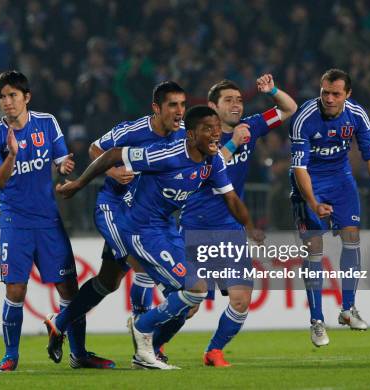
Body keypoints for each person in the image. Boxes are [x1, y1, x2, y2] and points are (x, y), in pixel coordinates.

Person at [54, 105, 261, 369]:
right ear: (190, 134)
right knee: (191, 288)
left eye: (218, 129)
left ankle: (145, 348)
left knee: (193, 294)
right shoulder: (167, 154)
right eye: (207, 129)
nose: (215, 135)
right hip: (140, 229)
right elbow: (113, 154)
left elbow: (230, 198)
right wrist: (79, 184)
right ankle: (142, 328)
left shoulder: (214, 160)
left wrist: (250, 226)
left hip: (165, 228)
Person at [42, 81, 186, 364]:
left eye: (183, 105)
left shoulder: (182, 136)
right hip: (115, 208)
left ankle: (59, 322)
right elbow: (96, 148)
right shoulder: (133, 130)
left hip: (145, 215)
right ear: (157, 108)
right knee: (141, 263)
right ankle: (147, 345)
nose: (180, 111)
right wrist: (113, 171)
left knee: (108, 281)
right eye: (173, 105)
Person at [0, 70, 113, 371]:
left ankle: (78, 355)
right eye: (2, 97)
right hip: (14, 221)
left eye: (12, 95)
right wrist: (11, 156)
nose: (7, 102)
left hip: (49, 220)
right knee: (15, 290)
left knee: (69, 289)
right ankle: (10, 357)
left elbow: (61, 161)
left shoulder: (47, 122)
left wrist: (65, 165)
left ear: (26, 97)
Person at [179, 75, 297, 367]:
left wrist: (273, 91)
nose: (236, 104)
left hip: (229, 227)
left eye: (239, 100)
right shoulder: (196, 134)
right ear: (212, 106)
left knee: (242, 298)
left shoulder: (252, 126)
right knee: (189, 304)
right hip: (196, 225)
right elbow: (206, 168)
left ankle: (214, 350)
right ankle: (153, 340)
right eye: (228, 100)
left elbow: (289, 109)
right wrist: (234, 142)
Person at [289, 68, 370, 347]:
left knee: (352, 239)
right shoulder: (304, 118)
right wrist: (313, 202)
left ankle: (348, 310)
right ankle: (316, 321)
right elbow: (299, 168)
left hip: (341, 181)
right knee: (314, 249)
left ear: (347, 95)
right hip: (309, 183)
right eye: (324, 91)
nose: (328, 98)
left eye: (335, 93)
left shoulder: (357, 115)